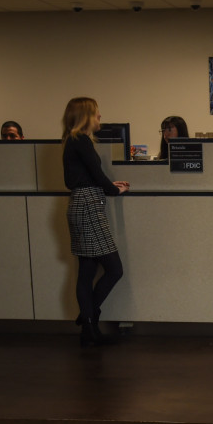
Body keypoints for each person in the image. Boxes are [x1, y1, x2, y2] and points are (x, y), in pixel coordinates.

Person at [61, 97, 129, 346]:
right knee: (114, 269)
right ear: (86, 115)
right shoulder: (80, 139)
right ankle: (88, 317)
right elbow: (97, 174)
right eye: (97, 113)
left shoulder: (73, 140)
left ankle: (88, 327)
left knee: (87, 270)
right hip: (88, 205)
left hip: (81, 203)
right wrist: (114, 190)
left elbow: (90, 176)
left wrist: (111, 186)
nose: (100, 117)